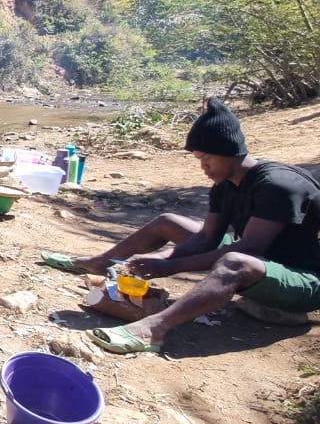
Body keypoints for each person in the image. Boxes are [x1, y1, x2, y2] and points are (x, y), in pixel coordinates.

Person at [40, 97, 320, 354]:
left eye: (207, 158)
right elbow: (208, 237)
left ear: (229, 151)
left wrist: (170, 267)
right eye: (199, 159)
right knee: (169, 222)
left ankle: (154, 329)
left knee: (235, 261)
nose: (203, 166)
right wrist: (159, 259)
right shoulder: (226, 186)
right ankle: (100, 263)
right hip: (265, 260)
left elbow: (251, 248)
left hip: (304, 279)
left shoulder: (277, 186)